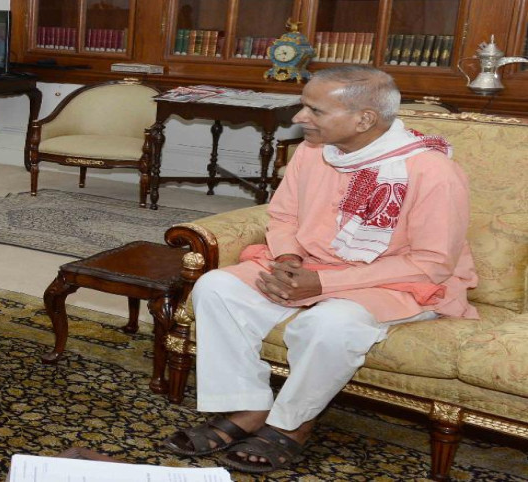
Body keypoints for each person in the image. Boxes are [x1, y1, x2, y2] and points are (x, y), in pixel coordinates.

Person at [162, 65, 478, 473]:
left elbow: (432, 263)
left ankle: (292, 424)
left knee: (330, 324)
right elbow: (283, 216)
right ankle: (247, 408)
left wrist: (323, 283)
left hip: (395, 282)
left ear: (364, 119)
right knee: (216, 287)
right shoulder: (313, 152)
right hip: (310, 266)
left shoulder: (432, 172)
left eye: (315, 110)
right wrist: (289, 260)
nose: (300, 117)